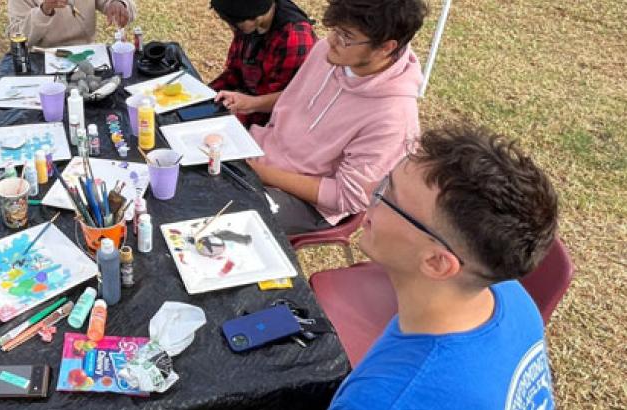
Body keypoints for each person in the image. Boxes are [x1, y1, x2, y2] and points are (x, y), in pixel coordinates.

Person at [329, 125, 559, 409]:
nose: (369, 200)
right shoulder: (511, 297)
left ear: (437, 262)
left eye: (387, 195)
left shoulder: (383, 399)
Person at [222, 0, 426, 235]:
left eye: (346, 36)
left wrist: (259, 172)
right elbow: (299, 96)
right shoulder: (329, 53)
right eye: (335, 30)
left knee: (216, 215)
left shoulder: (394, 117)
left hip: (307, 203)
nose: (331, 41)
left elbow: (347, 196)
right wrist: (254, 103)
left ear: (386, 47)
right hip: (259, 152)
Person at [209, 0, 317, 128]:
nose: (232, 28)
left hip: (271, 118)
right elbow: (235, 71)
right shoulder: (251, 22)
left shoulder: (294, 39)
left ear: (256, 16)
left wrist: (230, 113)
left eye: (235, 23)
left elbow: (288, 99)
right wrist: (205, 94)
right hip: (248, 100)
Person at [7, 0, 136, 48]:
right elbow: (17, 37)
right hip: (44, 58)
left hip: (87, 53)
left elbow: (127, 7)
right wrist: (44, 10)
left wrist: (119, 4)